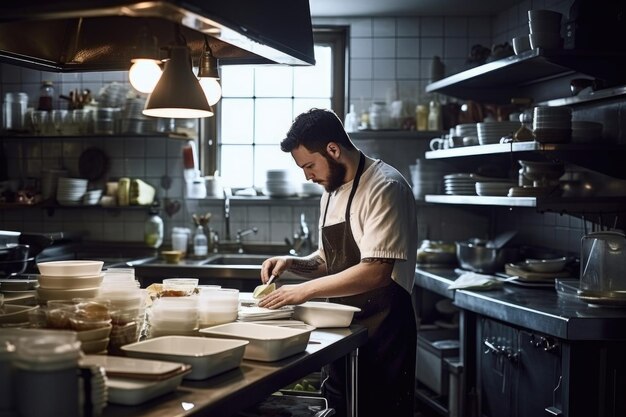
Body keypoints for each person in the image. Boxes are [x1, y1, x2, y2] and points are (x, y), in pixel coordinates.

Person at [258, 108, 418, 417]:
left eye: (309, 165)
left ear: (333, 150)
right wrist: (292, 263)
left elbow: (376, 272)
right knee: (339, 407)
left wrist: (301, 292)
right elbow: (326, 261)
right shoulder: (329, 192)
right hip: (343, 331)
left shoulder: (385, 187)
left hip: (384, 331)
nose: (307, 176)